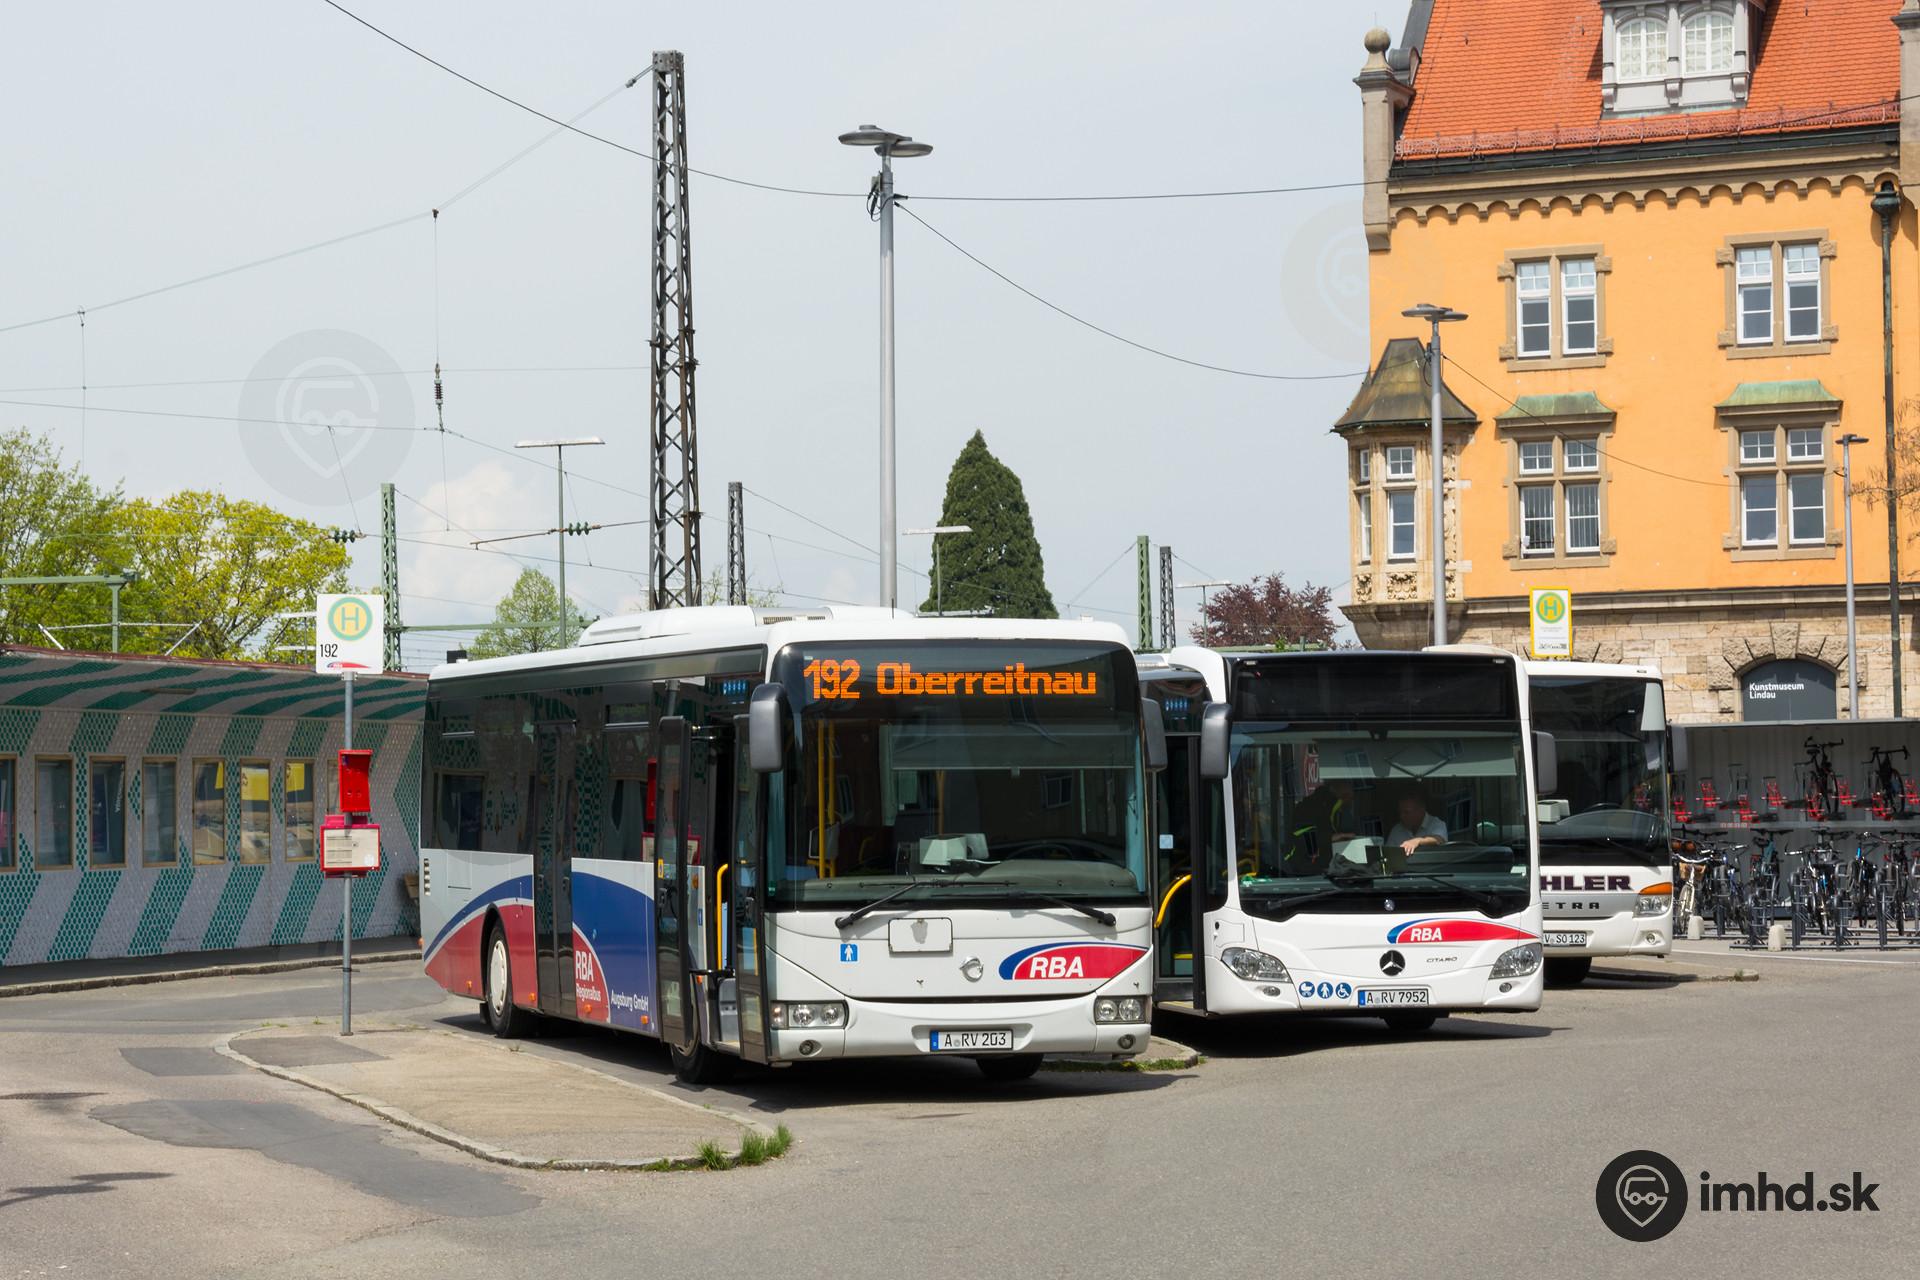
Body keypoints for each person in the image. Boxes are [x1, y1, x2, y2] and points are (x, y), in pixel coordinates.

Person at [1285, 778, 1356, 873]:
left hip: (1335, 872)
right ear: (1335, 788)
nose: (1352, 796)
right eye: (1347, 794)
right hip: (1301, 874)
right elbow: (1303, 841)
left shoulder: (1342, 810)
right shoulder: (1309, 807)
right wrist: (1331, 838)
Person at [1388, 787, 1448, 857]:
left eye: (1406, 812)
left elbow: (1439, 839)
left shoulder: (1436, 823)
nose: (1402, 816)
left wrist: (1418, 841)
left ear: (1421, 810)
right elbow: (1388, 855)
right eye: (1400, 812)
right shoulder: (1396, 830)